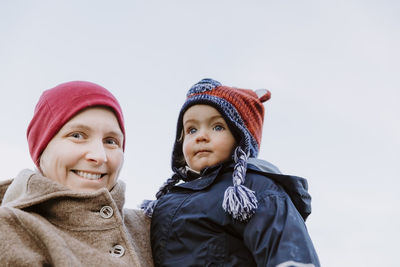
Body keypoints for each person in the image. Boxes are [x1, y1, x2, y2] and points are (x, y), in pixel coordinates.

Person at [142, 78, 320, 266]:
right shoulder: (167, 201)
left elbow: (286, 249)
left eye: (217, 127)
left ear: (240, 138)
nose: (201, 136)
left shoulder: (255, 190)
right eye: (191, 129)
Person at [0, 81, 153, 266]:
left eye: (111, 141)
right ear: (41, 148)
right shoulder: (11, 228)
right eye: (77, 135)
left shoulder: (152, 226)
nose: (99, 156)